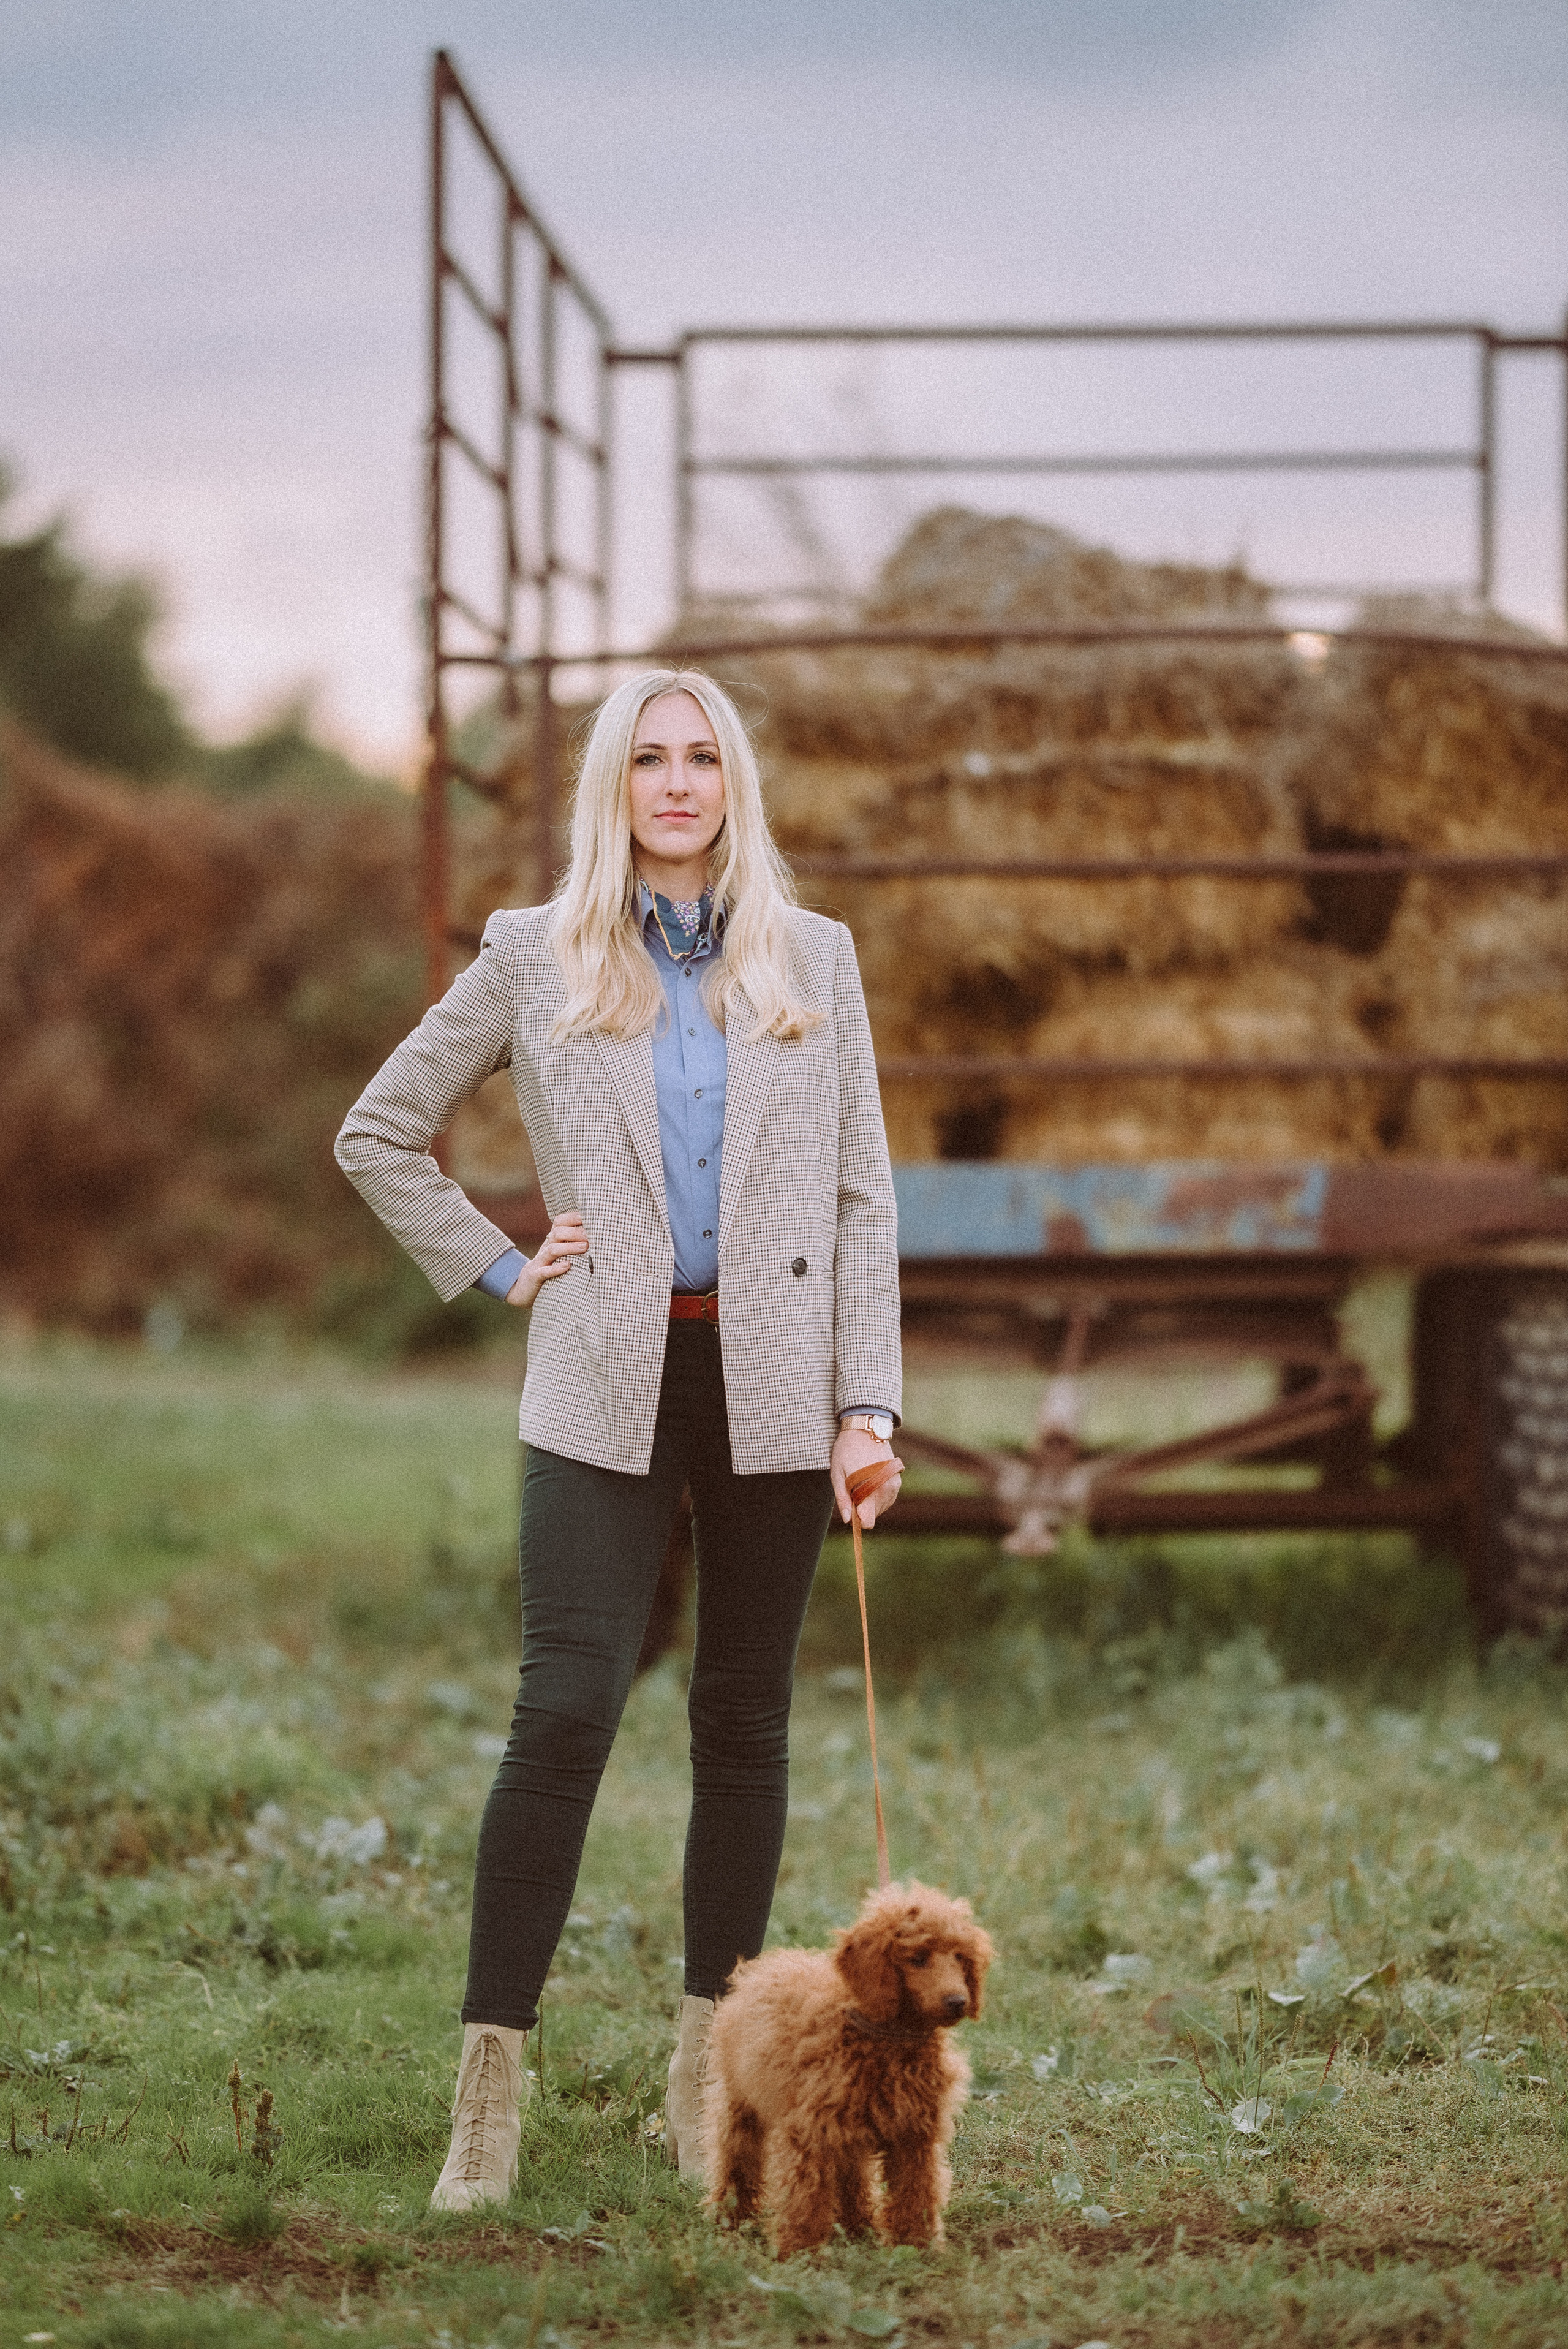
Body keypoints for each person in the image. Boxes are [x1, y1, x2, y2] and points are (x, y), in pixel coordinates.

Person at [334, 668, 903, 2211]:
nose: (672, 782)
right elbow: (376, 1128)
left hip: (775, 1393)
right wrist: (510, 1265)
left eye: (698, 757)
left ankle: (699, 2079)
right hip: (600, 1382)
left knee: (741, 1723)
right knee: (568, 1710)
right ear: (612, 783)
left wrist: (869, 1406)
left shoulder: (817, 958)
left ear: (733, 783)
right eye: (646, 758)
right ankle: (486, 2098)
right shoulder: (535, 953)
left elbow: (861, 1198)